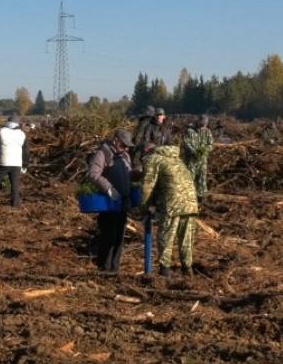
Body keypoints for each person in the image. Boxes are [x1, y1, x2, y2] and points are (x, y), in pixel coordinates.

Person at [140, 142, 199, 277]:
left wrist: (142, 208)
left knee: (166, 235)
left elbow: (147, 186)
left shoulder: (152, 158)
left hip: (172, 203)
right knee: (186, 238)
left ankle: (165, 270)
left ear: (145, 151)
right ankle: (187, 268)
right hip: (190, 202)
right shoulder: (175, 158)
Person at [87, 129, 136, 273]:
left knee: (119, 238)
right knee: (109, 236)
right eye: (124, 145)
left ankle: (115, 269)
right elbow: (93, 174)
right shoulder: (103, 154)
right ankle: (104, 269)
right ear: (115, 140)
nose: (126, 148)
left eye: (128, 146)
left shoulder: (126, 156)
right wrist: (108, 188)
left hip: (123, 204)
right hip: (108, 205)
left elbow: (129, 175)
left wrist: (136, 174)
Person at [0, 114, 30, 207]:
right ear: (17, 123)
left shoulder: (1, 131)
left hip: (2, 162)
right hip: (16, 164)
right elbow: (26, 152)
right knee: (15, 185)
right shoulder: (21, 134)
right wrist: (25, 165)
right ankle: (15, 205)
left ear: (8, 122)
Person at [182, 114, 214, 203]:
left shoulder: (207, 132)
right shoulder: (190, 131)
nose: (203, 125)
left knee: (202, 178)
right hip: (191, 160)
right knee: (190, 178)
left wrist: (205, 150)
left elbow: (211, 145)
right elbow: (186, 144)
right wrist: (194, 152)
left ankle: (201, 196)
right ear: (198, 122)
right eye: (202, 123)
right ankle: (188, 196)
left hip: (203, 161)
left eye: (205, 124)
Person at [131, 106, 155, 171]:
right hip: (150, 149)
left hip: (141, 149)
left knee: (136, 166)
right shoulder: (154, 123)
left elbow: (138, 137)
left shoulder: (144, 123)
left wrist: (133, 148)